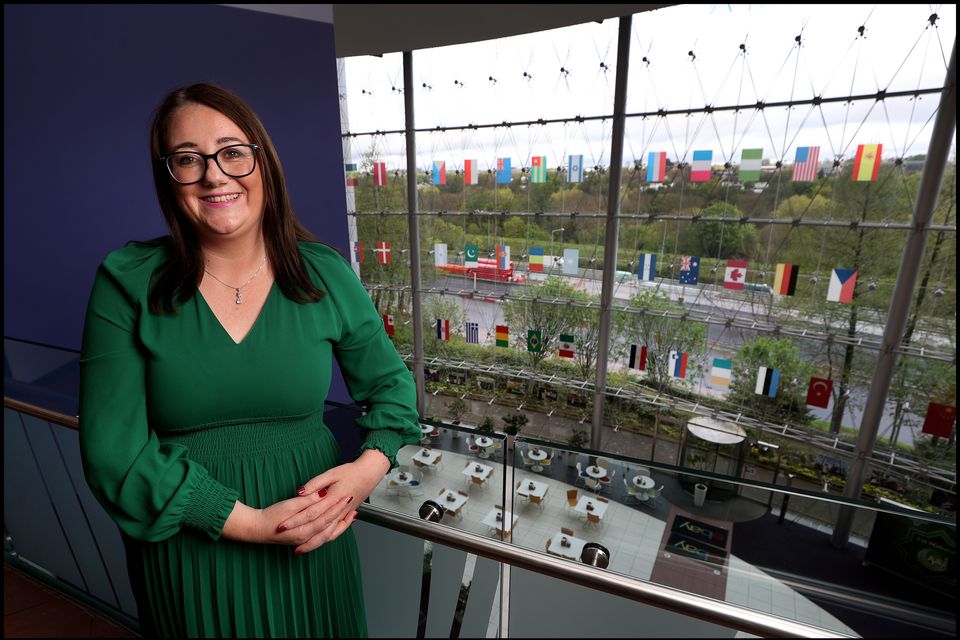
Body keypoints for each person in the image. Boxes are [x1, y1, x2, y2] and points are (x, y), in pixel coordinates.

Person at [78, 82, 421, 637]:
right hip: (191, 553)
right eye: (188, 160)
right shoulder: (127, 282)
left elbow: (392, 389)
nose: (215, 174)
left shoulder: (325, 273)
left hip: (314, 545)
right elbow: (112, 453)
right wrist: (251, 522)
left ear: (263, 161)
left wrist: (367, 469)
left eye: (233, 151)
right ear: (170, 179)